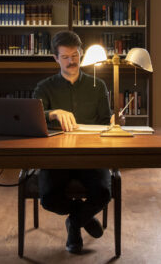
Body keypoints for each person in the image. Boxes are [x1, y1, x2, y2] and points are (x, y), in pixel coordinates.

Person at [33, 31, 111, 254]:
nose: (71, 61)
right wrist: (53, 113)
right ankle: (81, 219)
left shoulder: (99, 85)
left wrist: (115, 122)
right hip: (56, 156)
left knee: (103, 192)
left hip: (91, 154)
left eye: (75, 55)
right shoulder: (44, 87)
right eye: (65, 57)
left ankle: (73, 223)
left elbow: (106, 122)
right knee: (48, 198)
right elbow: (34, 116)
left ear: (81, 54)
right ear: (55, 59)